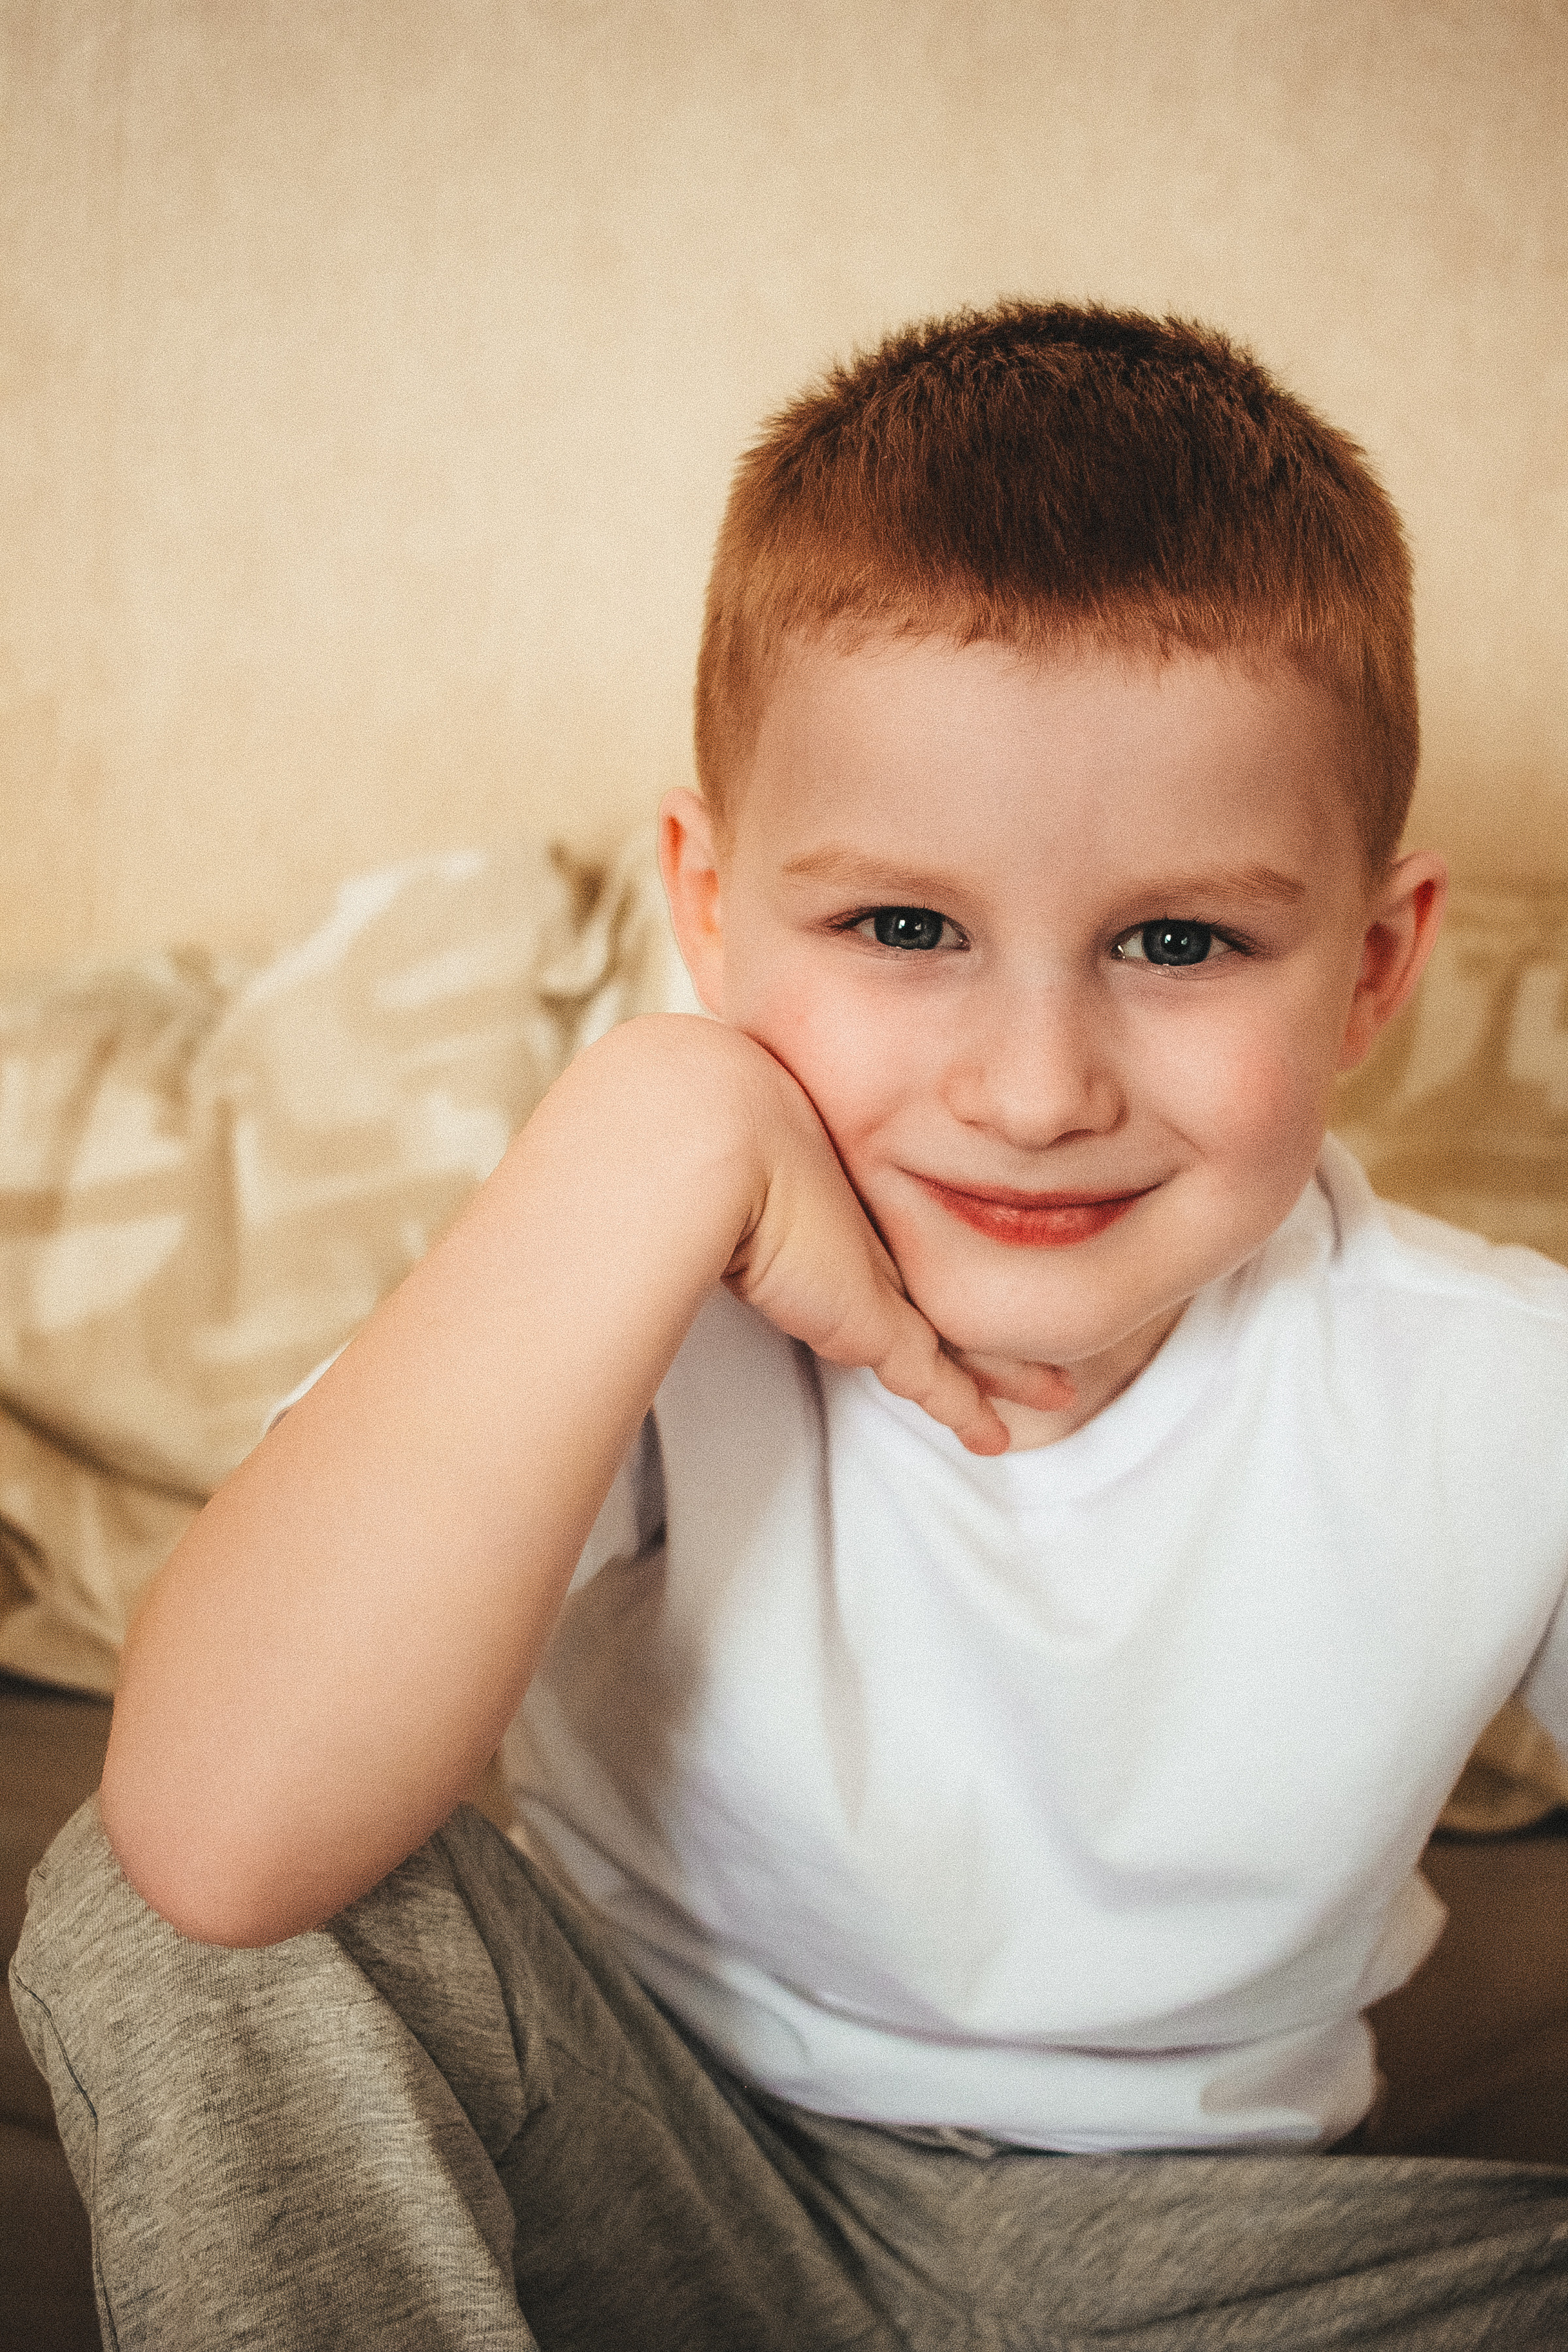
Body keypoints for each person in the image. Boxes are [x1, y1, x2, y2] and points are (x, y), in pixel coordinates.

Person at [13, 301, 1568, 2350]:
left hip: (1220, 2264)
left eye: (1179, 940)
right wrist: (648, 1129)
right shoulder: (626, 1303)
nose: (1036, 1086)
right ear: (710, 906)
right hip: (662, 2182)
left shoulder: (1499, 1389)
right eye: (902, 929)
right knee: (140, 1907)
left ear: (1369, 974)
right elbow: (212, 1836)